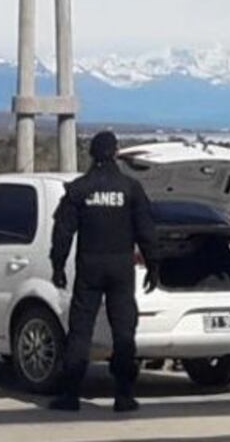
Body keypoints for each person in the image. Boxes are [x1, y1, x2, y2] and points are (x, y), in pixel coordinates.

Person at [48, 131, 160, 412]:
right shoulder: (130, 188)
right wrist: (153, 265)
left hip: (89, 266)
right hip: (121, 267)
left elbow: (62, 232)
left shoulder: (79, 189)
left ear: (92, 154)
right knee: (123, 330)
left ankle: (70, 395)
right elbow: (147, 232)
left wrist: (58, 265)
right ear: (116, 152)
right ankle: (123, 394)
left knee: (80, 330)